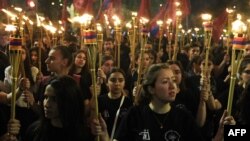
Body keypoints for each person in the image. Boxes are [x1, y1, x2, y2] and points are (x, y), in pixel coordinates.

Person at [114, 63, 204, 141]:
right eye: (165, 82)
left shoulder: (184, 117)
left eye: (173, 80)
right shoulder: (134, 115)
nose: (172, 86)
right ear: (151, 89)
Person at [24, 75, 101, 141]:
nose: (47, 104)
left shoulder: (84, 135)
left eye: (54, 99)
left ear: (69, 101)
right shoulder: (34, 131)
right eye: (46, 97)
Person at [96, 67, 133, 139]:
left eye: (120, 80)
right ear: (107, 82)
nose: (117, 83)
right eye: (113, 80)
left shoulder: (128, 103)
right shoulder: (100, 100)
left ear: (124, 83)